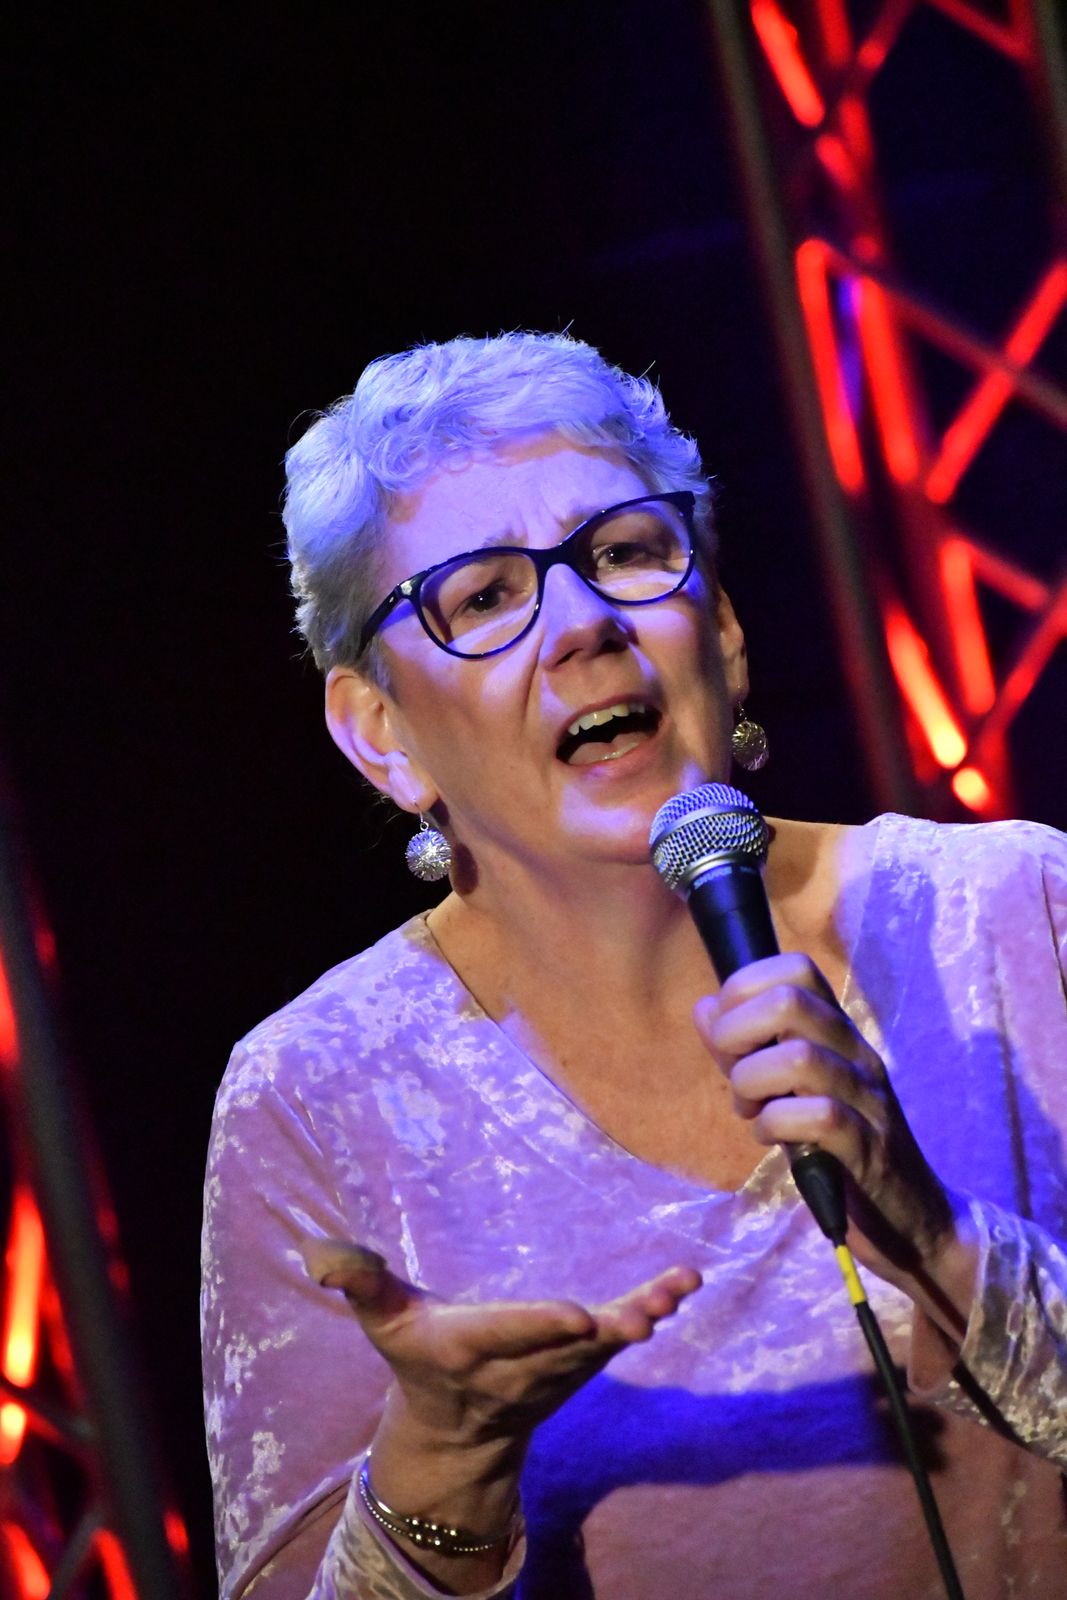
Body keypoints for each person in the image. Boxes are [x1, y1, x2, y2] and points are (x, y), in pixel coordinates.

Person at [201, 332, 1067, 1600]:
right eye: (482, 597)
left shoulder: (1010, 913)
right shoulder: (313, 1096)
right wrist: (442, 1460)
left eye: (622, 552)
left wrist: (937, 1241)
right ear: (381, 735)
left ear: (720, 628)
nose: (583, 625)